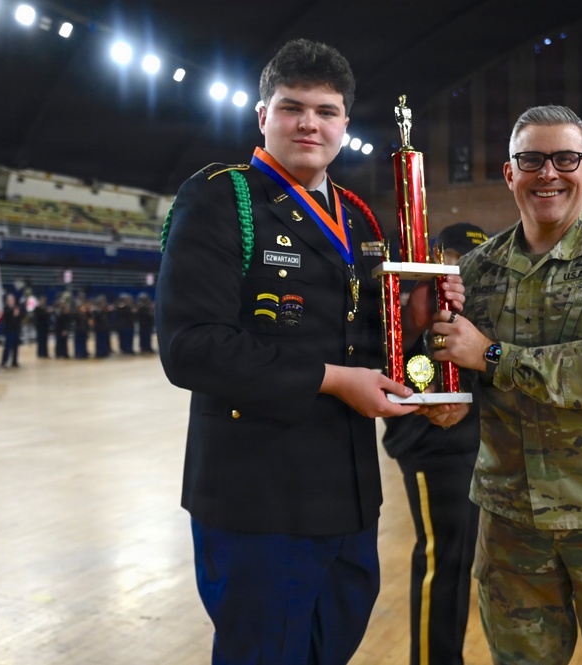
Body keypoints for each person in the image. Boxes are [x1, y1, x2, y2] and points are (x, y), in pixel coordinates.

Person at [155, 38, 442, 664]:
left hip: (349, 496)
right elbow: (190, 348)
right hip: (258, 499)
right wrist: (333, 379)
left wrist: (416, 323)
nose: (309, 123)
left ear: (344, 124)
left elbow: (366, 344)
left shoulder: (359, 218)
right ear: (263, 116)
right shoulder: (222, 198)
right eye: (292, 107)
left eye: (326, 111)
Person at [421, 105, 582, 665]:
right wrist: (450, 396)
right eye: (531, 160)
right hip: (512, 523)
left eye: (565, 159)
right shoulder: (477, 271)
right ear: (509, 173)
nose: (548, 173)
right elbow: (464, 370)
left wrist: (491, 355)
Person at [381, 222, 487, 665]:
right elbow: (402, 368)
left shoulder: (481, 301)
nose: (461, 274)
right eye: (454, 262)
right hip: (432, 447)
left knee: (458, 563)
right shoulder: (418, 299)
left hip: (472, 446)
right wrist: (419, 325)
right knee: (442, 562)